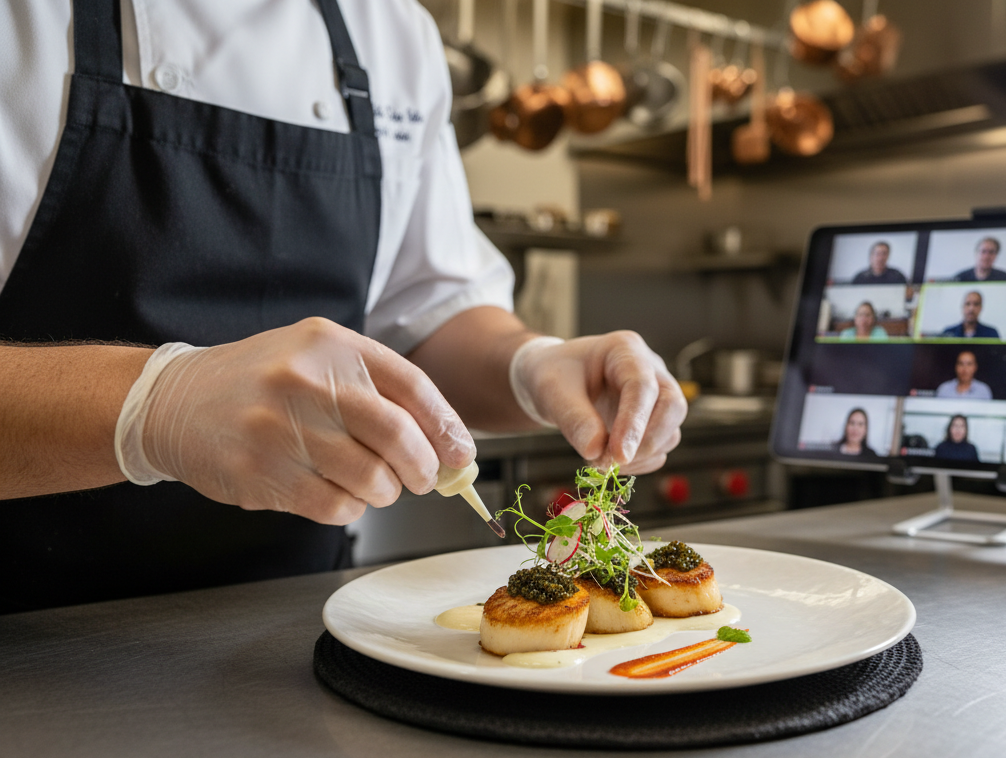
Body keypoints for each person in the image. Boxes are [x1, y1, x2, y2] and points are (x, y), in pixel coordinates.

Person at [0, 0, 685, 614]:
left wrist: (531, 366)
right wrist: (157, 407)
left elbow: (424, 316)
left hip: (292, 626)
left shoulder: (391, 32)